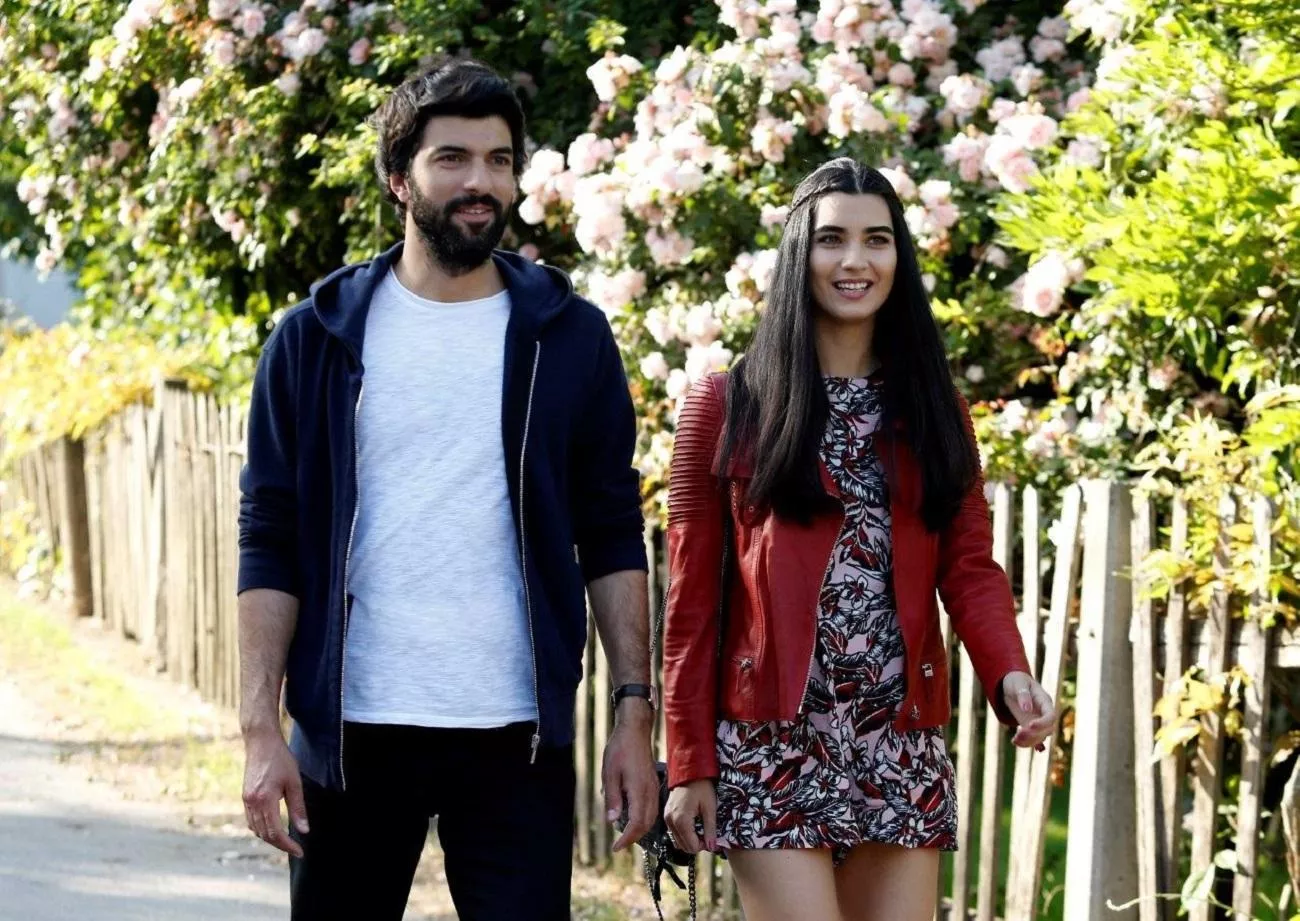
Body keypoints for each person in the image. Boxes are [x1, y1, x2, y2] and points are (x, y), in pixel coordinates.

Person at [235, 58, 658, 921]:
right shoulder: (314, 340)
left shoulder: (570, 338)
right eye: (452, 158)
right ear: (400, 178)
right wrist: (258, 728)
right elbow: (268, 536)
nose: (481, 182)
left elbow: (613, 528)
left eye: (499, 160)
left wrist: (632, 710)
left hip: (516, 737)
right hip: (351, 733)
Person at [660, 158, 1057, 921]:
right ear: (798, 253)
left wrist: (1009, 672)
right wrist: (689, 761)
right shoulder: (726, 404)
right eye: (832, 239)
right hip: (771, 742)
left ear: (898, 257)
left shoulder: (936, 409)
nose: (856, 260)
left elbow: (969, 566)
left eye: (877, 239)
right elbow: (691, 607)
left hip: (898, 741)